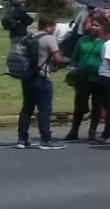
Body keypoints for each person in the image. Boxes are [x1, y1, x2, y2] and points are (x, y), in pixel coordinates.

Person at [16, 17, 65, 150]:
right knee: (44, 110)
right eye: (54, 27)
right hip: (42, 77)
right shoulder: (49, 38)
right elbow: (58, 59)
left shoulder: (29, 37)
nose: (55, 30)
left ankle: (22, 139)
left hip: (27, 77)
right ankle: (45, 139)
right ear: (48, 26)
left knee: (27, 109)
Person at [63, 18, 104, 141]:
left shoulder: (105, 43)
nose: (92, 27)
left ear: (102, 27)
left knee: (97, 105)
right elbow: (75, 58)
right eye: (91, 25)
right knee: (79, 105)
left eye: (96, 25)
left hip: (98, 77)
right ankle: (74, 131)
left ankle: (92, 131)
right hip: (83, 77)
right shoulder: (82, 40)